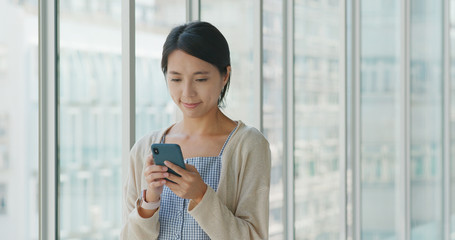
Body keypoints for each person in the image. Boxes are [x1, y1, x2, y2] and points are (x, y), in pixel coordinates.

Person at [121, 21, 271, 240]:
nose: (187, 92)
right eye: (176, 79)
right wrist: (150, 201)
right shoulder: (145, 148)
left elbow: (254, 237)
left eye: (200, 79)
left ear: (225, 76)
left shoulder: (248, 145)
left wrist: (201, 196)